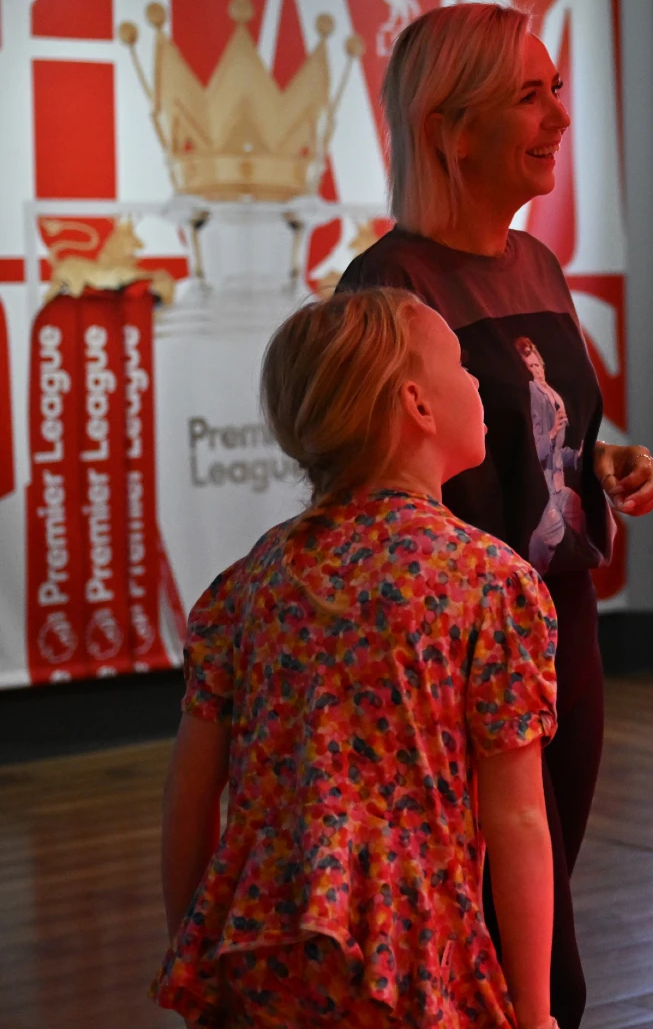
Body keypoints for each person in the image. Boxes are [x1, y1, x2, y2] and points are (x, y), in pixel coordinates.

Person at [338, 3, 653, 1029]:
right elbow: (367, 485)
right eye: (529, 96)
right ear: (450, 127)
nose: (558, 117)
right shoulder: (388, 286)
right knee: (493, 883)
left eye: (556, 88)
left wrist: (599, 458)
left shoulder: (537, 266)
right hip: (452, 645)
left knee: (543, 863)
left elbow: (537, 422)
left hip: (558, 617)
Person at [153, 287, 560, 1029]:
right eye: (462, 365)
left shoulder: (246, 586)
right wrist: (536, 1012)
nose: (477, 380)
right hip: (410, 953)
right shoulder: (490, 585)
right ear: (419, 406)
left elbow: (189, 801)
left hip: (261, 949)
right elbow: (520, 819)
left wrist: (196, 951)